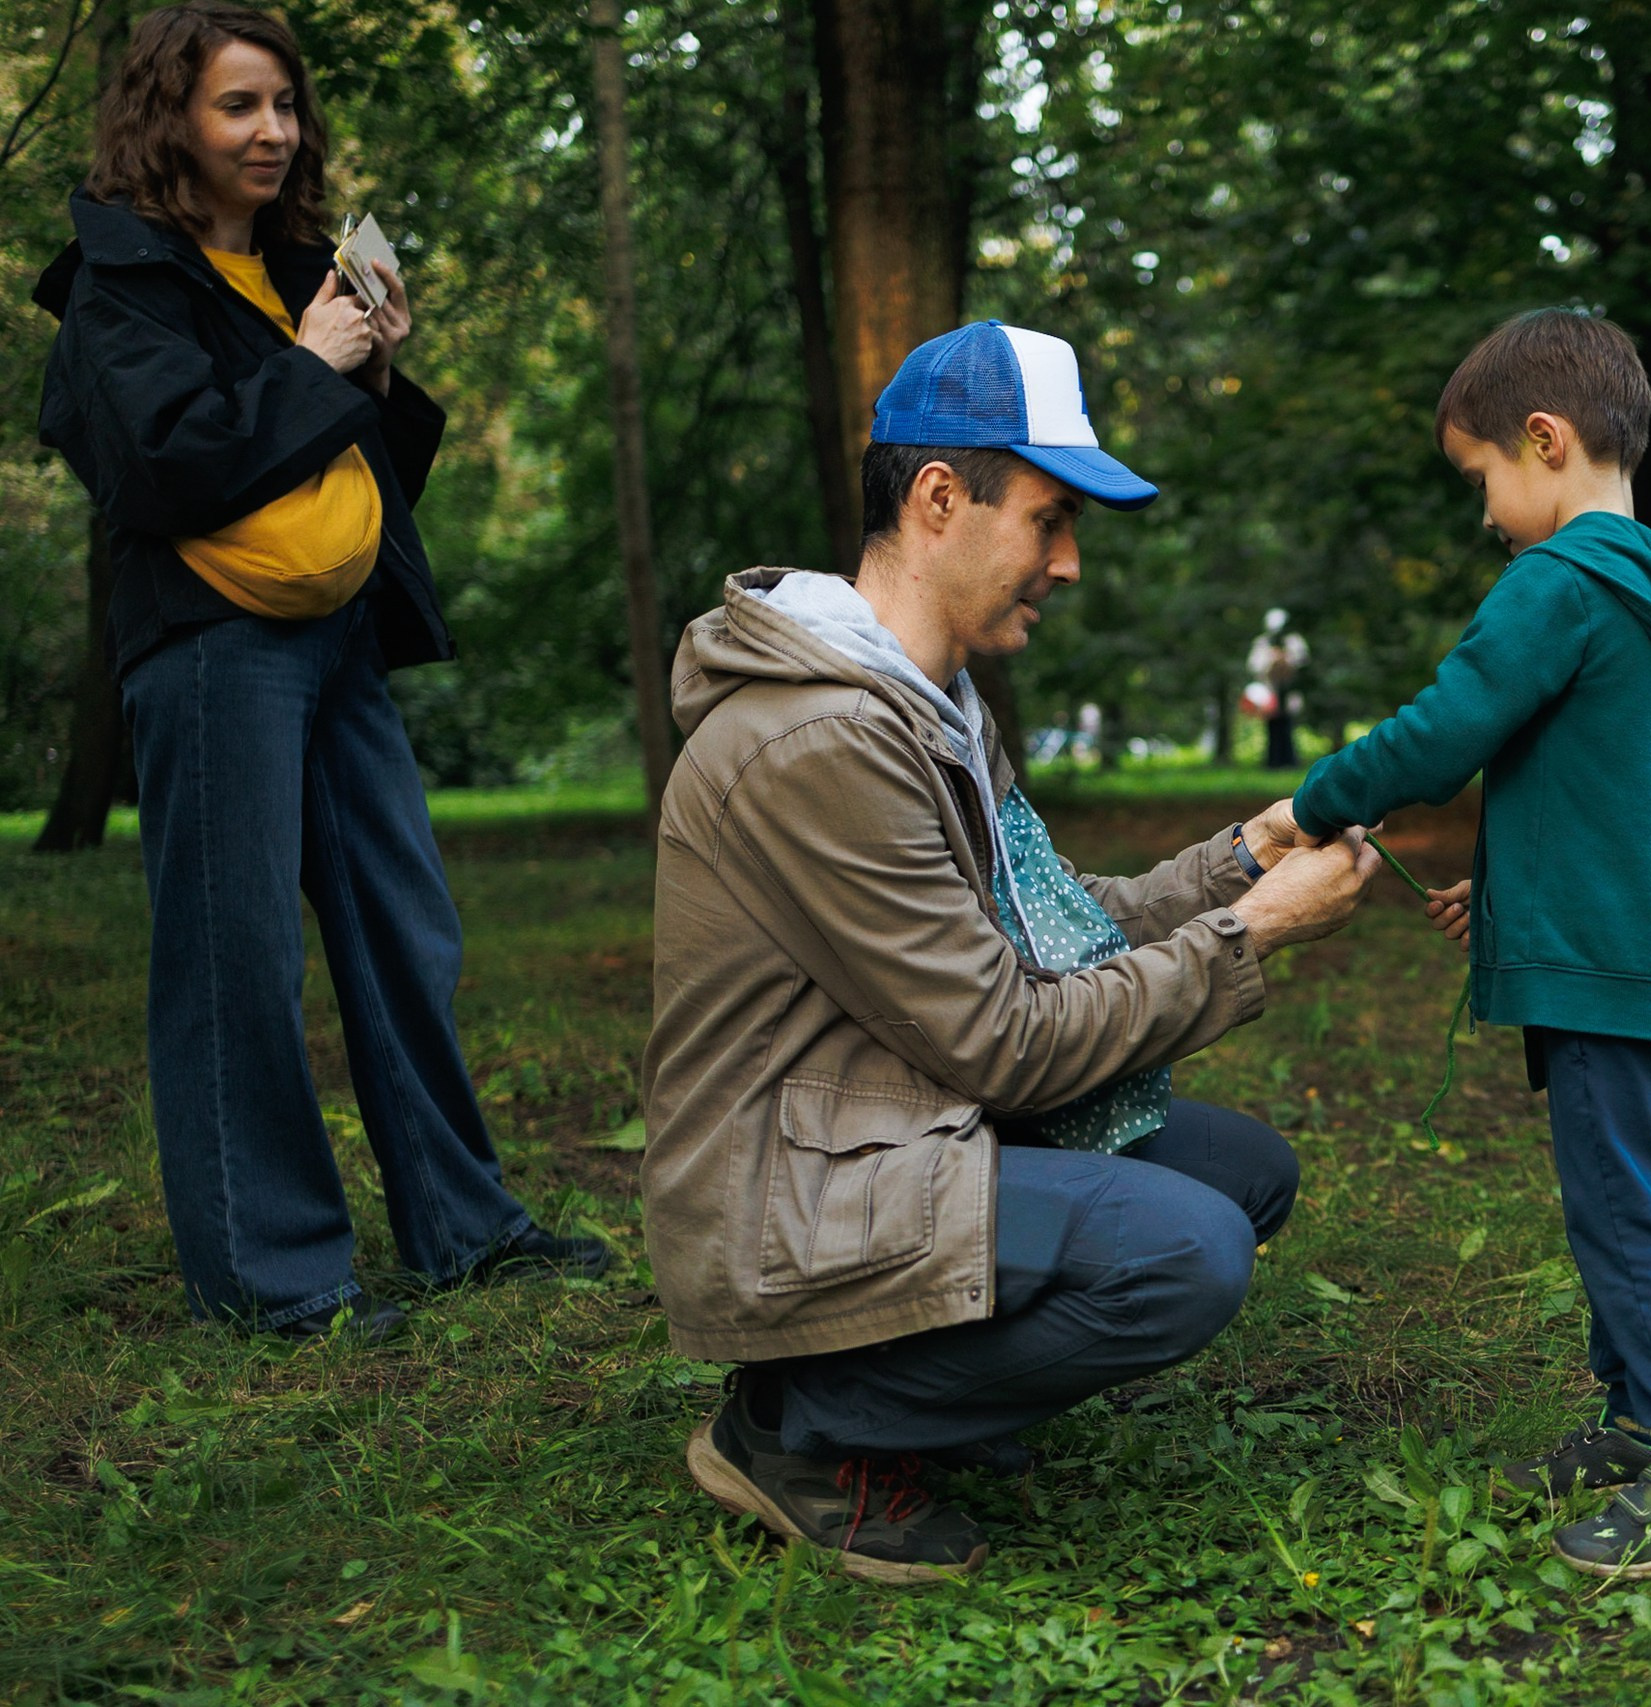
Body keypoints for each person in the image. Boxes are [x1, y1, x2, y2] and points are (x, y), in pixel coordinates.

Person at [645, 320, 1379, 1582]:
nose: (1069, 563)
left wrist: (1240, 859)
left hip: (893, 1117)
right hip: (788, 1190)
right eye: (1050, 520)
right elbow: (1007, 1043)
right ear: (940, 499)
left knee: (1239, 1175)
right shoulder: (825, 739)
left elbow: (1053, 926)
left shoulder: (925, 701)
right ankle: (801, 1425)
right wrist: (1252, 931)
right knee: (1184, 1252)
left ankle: (906, 1392)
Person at [30, 2, 607, 1343]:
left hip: (337, 643)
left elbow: (341, 478)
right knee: (234, 957)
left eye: (285, 104)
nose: (274, 131)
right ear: (168, 118)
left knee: (407, 928)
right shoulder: (124, 283)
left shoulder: (301, 273)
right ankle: (276, 1282)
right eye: (239, 104)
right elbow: (168, 468)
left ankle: (464, 1224)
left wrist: (373, 369)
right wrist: (308, 364)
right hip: (214, 648)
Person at [1290, 309, 1651, 1580]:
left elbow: (1445, 733)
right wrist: (1508, 890)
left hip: (1610, 972)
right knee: (1619, 1192)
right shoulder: (1650, 584)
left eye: (1481, 478)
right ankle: (1639, 1418)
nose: (1484, 514)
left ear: (1544, 441)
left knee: (1621, 1208)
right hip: (1649, 952)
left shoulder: (1557, 583)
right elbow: (1604, 780)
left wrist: (1314, 801)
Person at [1245, 607, 1309, 768]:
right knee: (1272, 727)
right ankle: (1273, 761)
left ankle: (1289, 760)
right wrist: (1271, 659)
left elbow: (1302, 662)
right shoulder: (1262, 643)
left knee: (1287, 725)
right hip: (1270, 690)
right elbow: (1254, 666)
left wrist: (1287, 659)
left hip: (1287, 690)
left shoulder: (1294, 641)